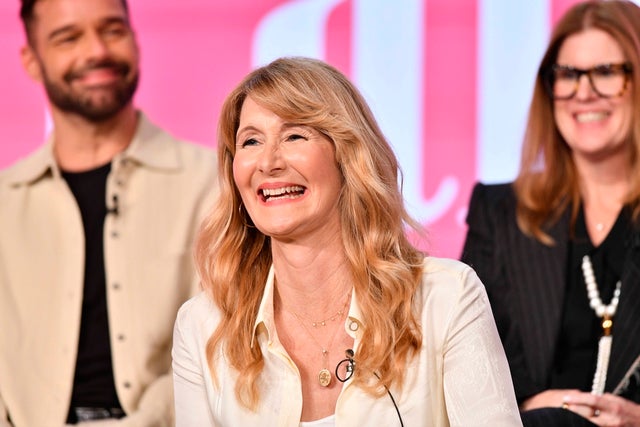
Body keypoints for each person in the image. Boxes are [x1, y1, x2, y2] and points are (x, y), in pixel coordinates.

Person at [171, 56, 521, 426]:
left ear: (348, 156)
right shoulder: (202, 327)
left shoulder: (444, 299)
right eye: (251, 141)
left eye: (294, 136)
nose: (268, 162)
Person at [0, 0, 217, 425]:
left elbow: (223, 344)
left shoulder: (213, 183)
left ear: (135, 39)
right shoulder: (5, 202)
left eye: (113, 30)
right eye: (68, 38)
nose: (97, 50)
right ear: (31, 60)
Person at [461, 1, 640, 426]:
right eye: (568, 75)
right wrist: (529, 408)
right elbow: (467, 362)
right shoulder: (499, 213)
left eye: (606, 72)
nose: (584, 92)